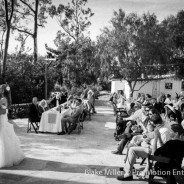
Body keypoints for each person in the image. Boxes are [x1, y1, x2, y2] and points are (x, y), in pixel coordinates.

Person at [116, 114, 171, 181]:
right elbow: (151, 134)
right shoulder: (162, 123)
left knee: (132, 149)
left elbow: (158, 150)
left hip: (156, 151)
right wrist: (144, 138)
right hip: (151, 142)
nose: (152, 124)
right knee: (135, 140)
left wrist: (147, 144)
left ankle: (128, 173)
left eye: (153, 124)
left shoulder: (164, 131)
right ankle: (128, 168)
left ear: (157, 124)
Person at [0, 84, 25, 168]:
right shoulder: (5, 99)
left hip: (2, 119)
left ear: (2, 90)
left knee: (3, 137)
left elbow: (3, 111)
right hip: (3, 119)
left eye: (0, 88)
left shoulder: (3, 99)